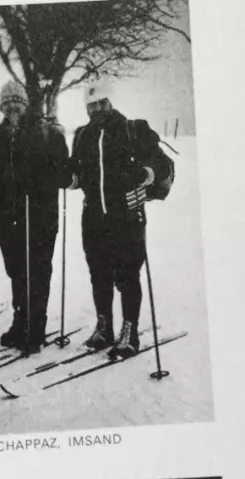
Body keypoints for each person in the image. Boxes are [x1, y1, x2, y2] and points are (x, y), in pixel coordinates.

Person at [69, 80, 172, 358]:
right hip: (93, 216)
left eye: (101, 103)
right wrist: (70, 178)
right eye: (91, 105)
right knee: (99, 274)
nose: (97, 109)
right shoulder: (82, 136)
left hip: (126, 216)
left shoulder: (133, 130)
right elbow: (80, 173)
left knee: (127, 275)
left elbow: (162, 163)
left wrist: (145, 174)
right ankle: (104, 327)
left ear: (110, 102)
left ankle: (130, 332)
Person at [0, 80, 71, 353]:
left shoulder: (46, 132)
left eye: (17, 101)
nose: (12, 107)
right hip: (8, 216)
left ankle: (36, 328)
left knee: (38, 271)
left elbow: (63, 172)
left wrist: (40, 182)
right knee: (16, 272)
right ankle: (20, 321)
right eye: (7, 103)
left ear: (25, 103)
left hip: (41, 215)